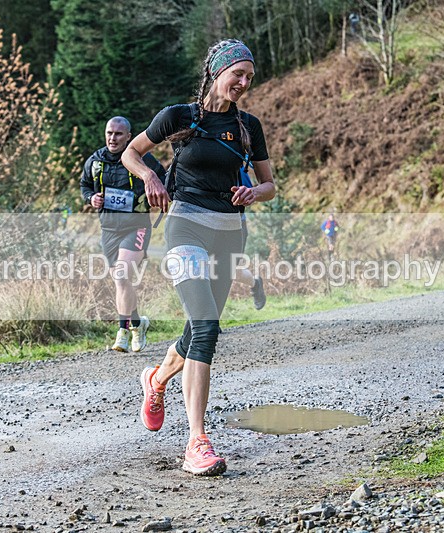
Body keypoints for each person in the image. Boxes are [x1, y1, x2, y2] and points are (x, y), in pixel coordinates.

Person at [121, 39, 276, 476]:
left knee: (196, 330)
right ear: (217, 72)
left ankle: (156, 379)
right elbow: (131, 151)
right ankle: (197, 442)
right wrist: (150, 176)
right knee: (207, 328)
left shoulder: (248, 127)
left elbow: (271, 184)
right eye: (237, 74)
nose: (243, 83)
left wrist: (254, 192)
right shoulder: (179, 116)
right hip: (185, 228)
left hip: (230, 236)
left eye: (249, 77)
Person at [80, 116, 165, 352]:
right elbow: (85, 185)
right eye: (109, 133)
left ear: (129, 136)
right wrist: (91, 198)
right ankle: (138, 323)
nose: (112, 138)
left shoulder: (143, 159)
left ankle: (122, 332)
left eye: (118, 134)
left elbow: (164, 180)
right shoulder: (96, 162)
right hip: (108, 230)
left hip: (136, 226)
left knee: (121, 276)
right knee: (122, 282)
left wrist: (157, 193)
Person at [234, 165, 266, 310]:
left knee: (233, 272)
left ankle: (255, 283)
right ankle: (209, 320)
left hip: (236, 224)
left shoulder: (235, 159)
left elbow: (251, 190)